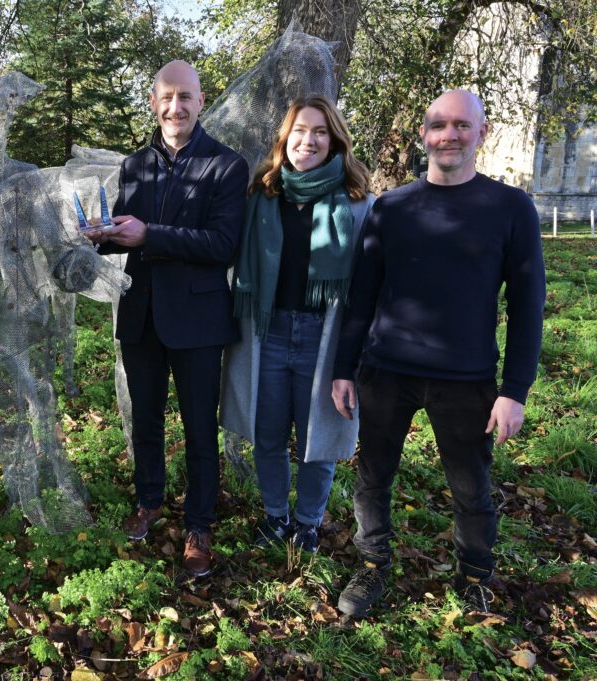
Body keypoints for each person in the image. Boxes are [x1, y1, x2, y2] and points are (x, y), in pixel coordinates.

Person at [331, 90, 545, 616]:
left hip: (466, 378)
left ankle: (474, 574)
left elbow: (528, 305)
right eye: (439, 125)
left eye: (462, 126)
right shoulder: (392, 206)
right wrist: (343, 368)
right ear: (424, 135)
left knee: (471, 488)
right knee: (372, 478)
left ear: (482, 133)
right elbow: (362, 296)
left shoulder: (509, 207)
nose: (449, 135)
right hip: (386, 370)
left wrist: (514, 390)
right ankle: (373, 563)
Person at [86, 60, 248, 578]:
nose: (175, 107)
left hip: (198, 322)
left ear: (201, 101)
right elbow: (125, 237)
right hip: (141, 316)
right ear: (154, 102)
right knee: (145, 419)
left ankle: (199, 523)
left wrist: (148, 234)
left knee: (201, 427)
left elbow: (223, 246)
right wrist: (100, 236)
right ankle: (149, 501)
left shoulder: (226, 166)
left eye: (185, 97)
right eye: (166, 97)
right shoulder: (135, 166)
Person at [221, 96, 374, 554]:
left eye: (320, 132)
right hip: (265, 332)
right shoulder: (259, 197)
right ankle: (275, 515)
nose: (308, 140)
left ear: (335, 142)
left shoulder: (358, 205)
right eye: (300, 131)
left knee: (318, 439)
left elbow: (369, 288)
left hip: (321, 337)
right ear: (284, 139)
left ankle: (308, 522)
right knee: (267, 434)